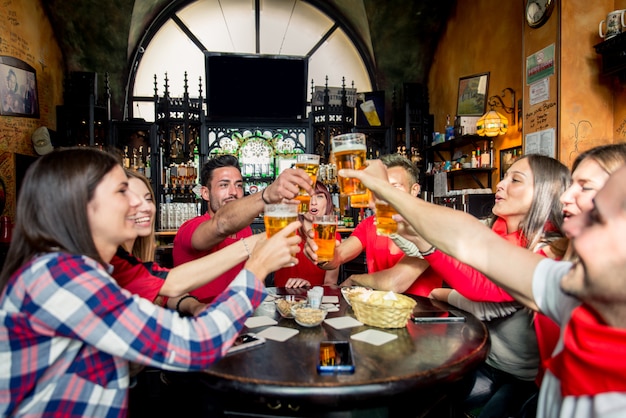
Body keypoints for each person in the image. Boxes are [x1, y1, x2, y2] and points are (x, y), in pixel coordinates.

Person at [0, 147, 301, 417]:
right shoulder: (64, 280)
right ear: (78, 205)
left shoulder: (79, 268)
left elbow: (166, 283)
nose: (139, 204)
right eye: (121, 191)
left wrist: (270, 240)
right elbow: (195, 343)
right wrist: (257, 267)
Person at [338, 152, 626, 418]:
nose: (567, 196)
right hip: (487, 360)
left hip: (515, 377)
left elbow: (480, 288)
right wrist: (393, 207)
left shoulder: (552, 261)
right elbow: (474, 240)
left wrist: (387, 192)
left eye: (585, 188)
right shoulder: (562, 282)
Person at [420, 154, 570, 417]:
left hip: (525, 379)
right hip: (486, 360)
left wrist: (442, 290)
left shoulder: (549, 250)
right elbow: (453, 236)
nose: (500, 184)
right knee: (427, 399)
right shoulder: (494, 231)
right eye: (504, 176)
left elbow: (487, 304)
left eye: (515, 180)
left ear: (546, 193)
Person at [111, 169, 266, 315]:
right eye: (224, 185)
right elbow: (171, 284)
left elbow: (164, 292)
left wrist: (195, 306)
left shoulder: (131, 260)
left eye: (148, 199)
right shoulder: (191, 227)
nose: (146, 207)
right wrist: (260, 238)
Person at [173, 154, 313, 303]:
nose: (234, 192)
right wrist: (267, 195)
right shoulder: (190, 229)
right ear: (205, 193)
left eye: (239, 185)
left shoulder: (245, 231)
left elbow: (256, 283)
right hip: (202, 320)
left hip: (243, 318)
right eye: (224, 185)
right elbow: (222, 223)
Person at [308, 153, 442, 297]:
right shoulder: (369, 224)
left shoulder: (427, 227)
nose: (386, 193)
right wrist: (323, 256)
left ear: (414, 190)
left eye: (394, 187)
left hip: (421, 315)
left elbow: (395, 283)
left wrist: (354, 280)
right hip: (378, 314)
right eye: (381, 187)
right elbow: (338, 257)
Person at [273, 180, 340, 288]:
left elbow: (330, 283)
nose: (313, 202)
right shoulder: (286, 230)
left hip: (316, 301)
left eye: (319, 196)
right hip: (284, 298)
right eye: (307, 196)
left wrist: (310, 288)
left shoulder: (333, 236)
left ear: (327, 202)